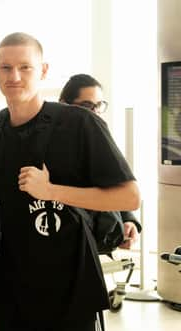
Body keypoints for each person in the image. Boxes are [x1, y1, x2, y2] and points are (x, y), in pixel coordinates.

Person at [0, 32, 140, 331]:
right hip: (15, 300)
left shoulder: (77, 124)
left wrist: (52, 191)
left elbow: (129, 195)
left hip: (72, 298)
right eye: (6, 67)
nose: (14, 76)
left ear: (44, 71)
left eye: (25, 67)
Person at [60, 73, 142, 249]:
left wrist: (128, 221)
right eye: (87, 106)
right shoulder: (55, 143)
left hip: (104, 239)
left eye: (99, 105)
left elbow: (116, 183)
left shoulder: (98, 137)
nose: (95, 112)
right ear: (64, 104)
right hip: (76, 242)